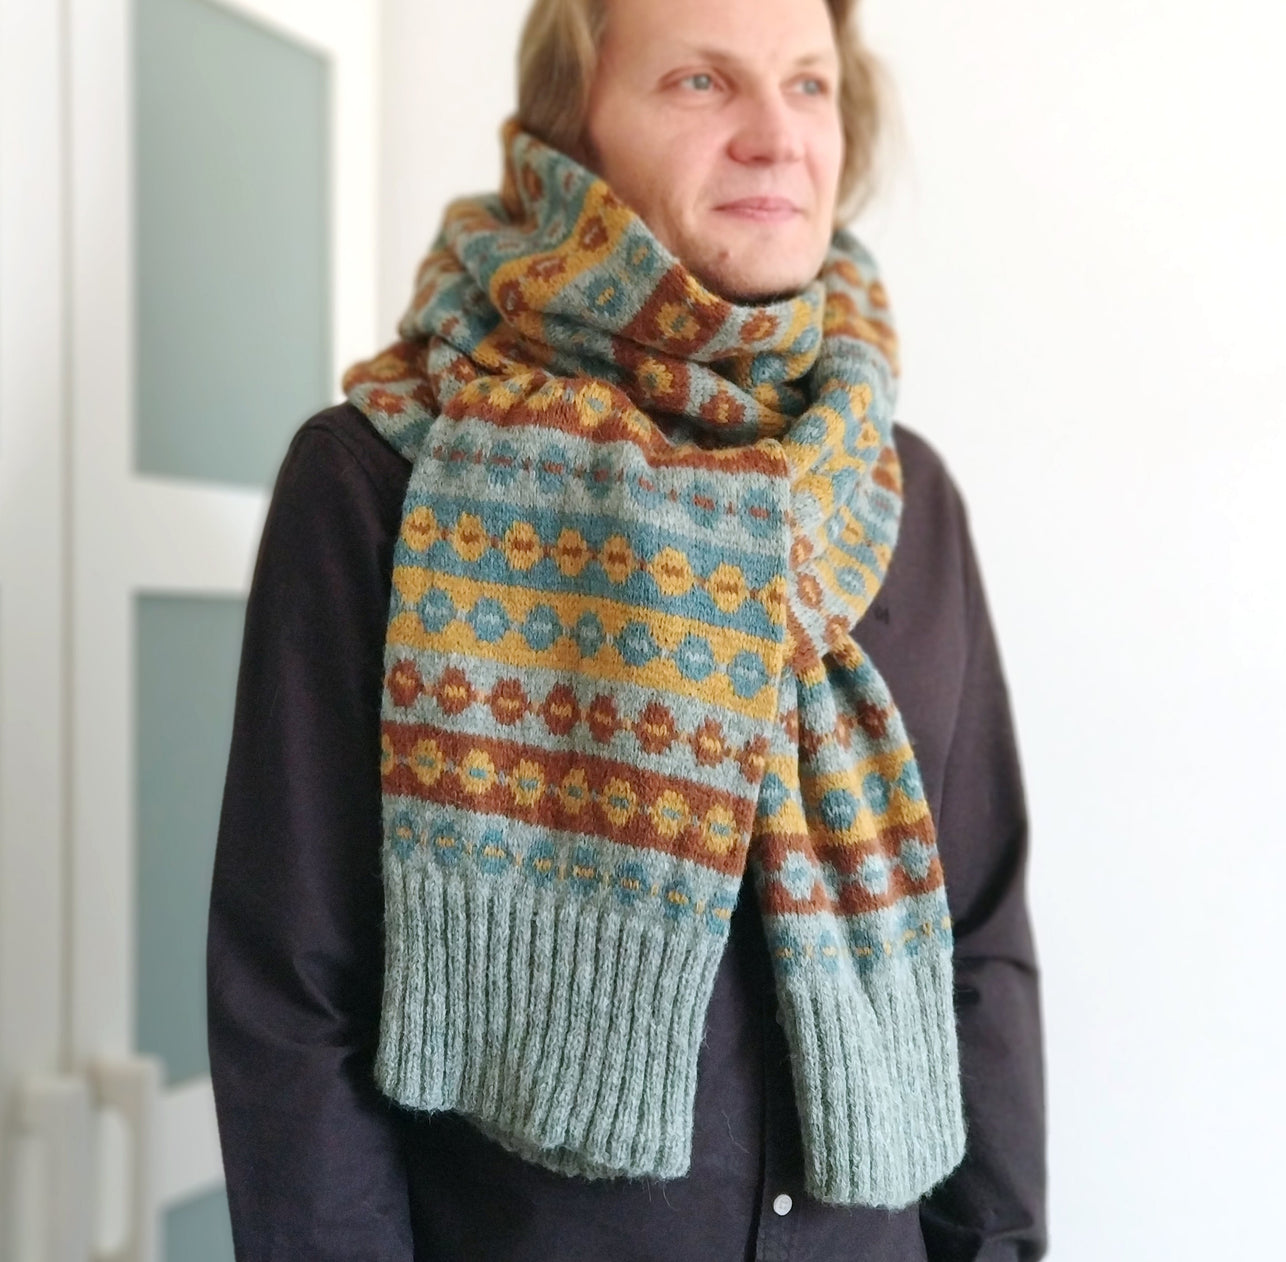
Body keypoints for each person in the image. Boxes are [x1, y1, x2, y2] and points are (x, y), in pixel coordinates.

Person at [207, 0, 1047, 1256]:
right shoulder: (383, 475)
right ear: (569, 130)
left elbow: (976, 939)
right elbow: (294, 995)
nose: (776, 136)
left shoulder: (898, 494)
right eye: (701, 82)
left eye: (807, 85)